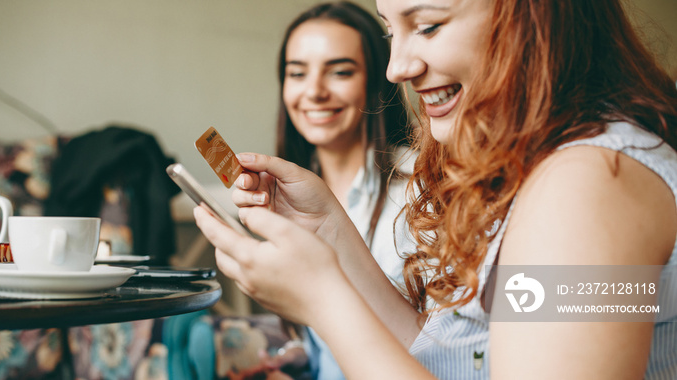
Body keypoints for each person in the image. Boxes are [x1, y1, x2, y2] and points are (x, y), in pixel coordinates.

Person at [195, 0, 677, 379]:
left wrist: (324, 300)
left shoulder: (590, 184)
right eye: (390, 32)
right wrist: (331, 232)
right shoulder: (538, 165)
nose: (396, 68)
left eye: (427, 26)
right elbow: (455, 361)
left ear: (530, 18)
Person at [213, 2, 415, 379]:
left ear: (378, 78)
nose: (315, 91)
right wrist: (300, 357)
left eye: (340, 71)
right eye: (297, 73)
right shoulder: (286, 192)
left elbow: (435, 343)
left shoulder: (419, 187)